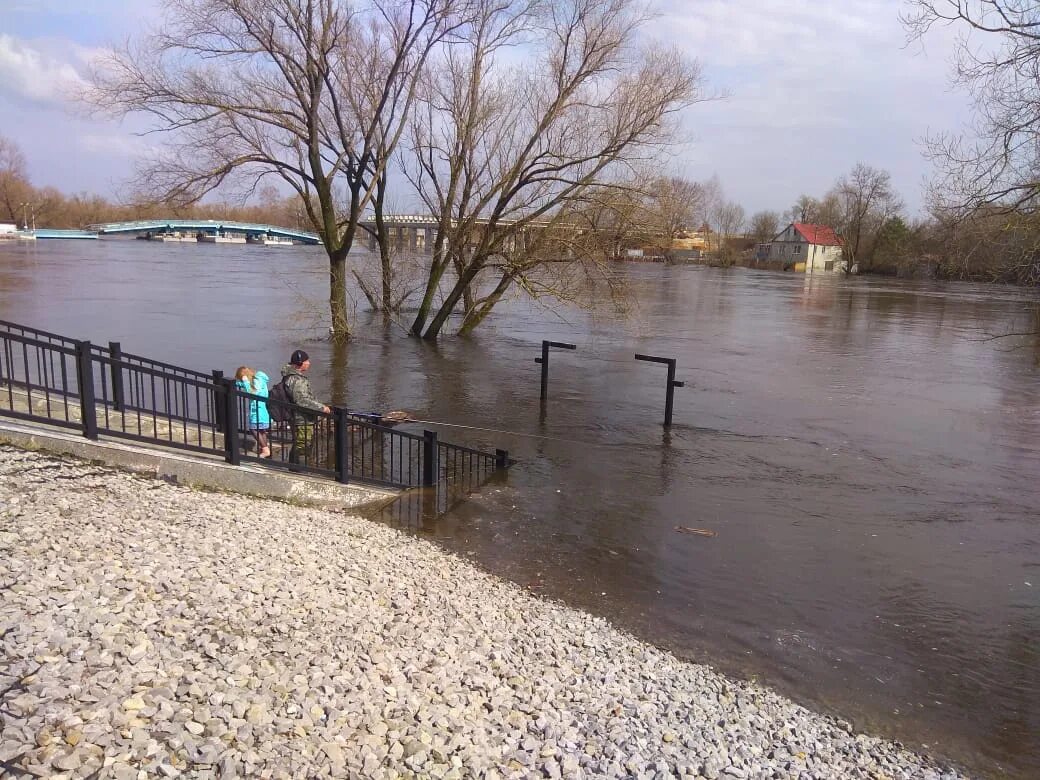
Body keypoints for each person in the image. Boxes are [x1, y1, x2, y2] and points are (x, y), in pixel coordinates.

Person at [280, 349, 330, 468]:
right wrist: (321, 408)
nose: (309, 363)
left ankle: (294, 468)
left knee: (300, 443)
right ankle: (298, 471)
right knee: (303, 445)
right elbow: (301, 400)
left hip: (298, 418)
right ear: (300, 363)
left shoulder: (291, 377)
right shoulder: (297, 380)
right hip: (301, 419)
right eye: (307, 361)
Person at [234, 366, 272, 458]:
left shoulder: (257, 381)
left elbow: (253, 393)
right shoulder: (257, 380)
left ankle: (265, 449)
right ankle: (265, 449)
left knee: (254, 429)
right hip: (262, 409)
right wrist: (238, 383)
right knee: (261, 430)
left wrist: (245, 381)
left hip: (259, 410)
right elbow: (245, 386)